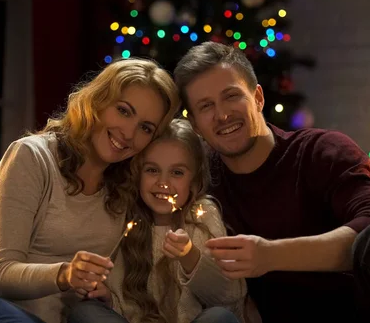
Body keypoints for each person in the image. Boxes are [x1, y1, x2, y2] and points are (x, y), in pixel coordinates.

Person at [173, 42, 370, 323]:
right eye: (206, 106)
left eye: (231, 96)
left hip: (362, 315)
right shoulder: (201, 184)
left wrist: (270, 255)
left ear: (258, 98)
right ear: (194, 125)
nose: (222, 114)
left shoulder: (323, 151)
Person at [0, 58, 180, 323]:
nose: (129, 133)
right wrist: (65, 274)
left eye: (145, 128)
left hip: (56, 313)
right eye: (123, 111)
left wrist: (104, 293)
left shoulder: (125, 187)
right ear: (98, 101)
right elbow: (0, 273)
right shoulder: (31, 156)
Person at [68, 119, 248, 323]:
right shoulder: (124, 219)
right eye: (152, 170)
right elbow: (124, 307)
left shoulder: (203, 215)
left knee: (219, 317)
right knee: (85, 312)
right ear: (137, 173)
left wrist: (190, 256)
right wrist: (109, 300)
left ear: (194, 180)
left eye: (177, 172)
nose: (163, 183)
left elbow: (229, 297)